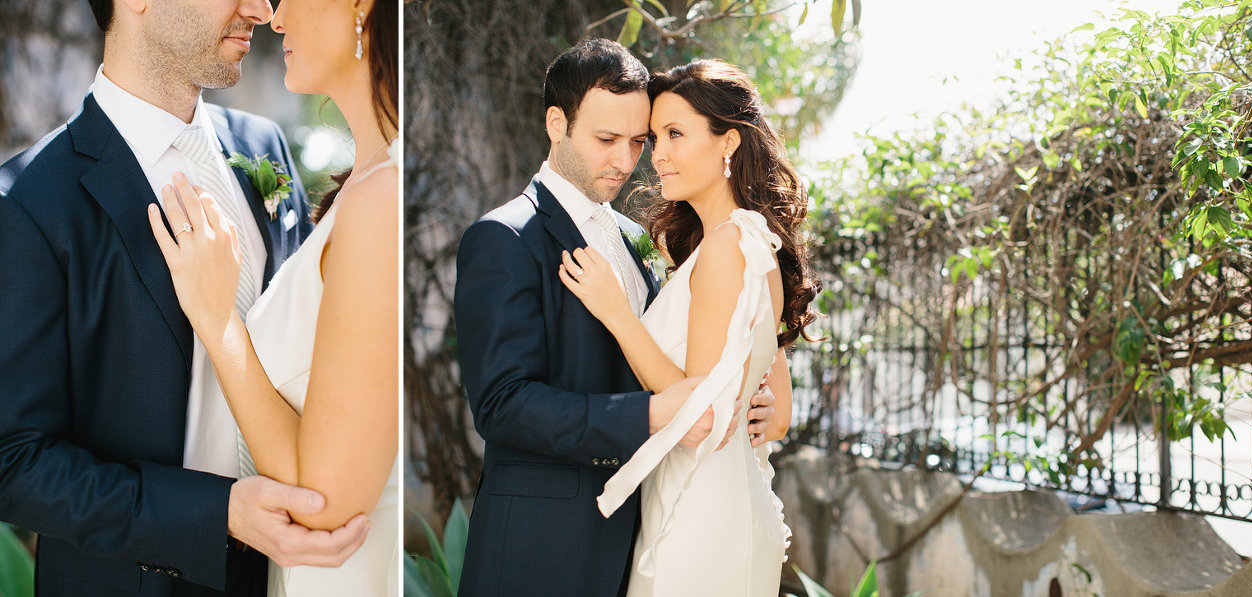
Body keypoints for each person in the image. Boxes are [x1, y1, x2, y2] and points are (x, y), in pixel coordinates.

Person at [0, 0, 373, 596]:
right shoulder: (29, 206)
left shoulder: (265, 148)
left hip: (291, 573)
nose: (261, 9)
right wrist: (217, 512)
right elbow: (13, 461)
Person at [453, 39, 788, 597]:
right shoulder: (504, 237)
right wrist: (652, 413)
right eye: (606, 140)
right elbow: (502, 406)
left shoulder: (639, 242)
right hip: (544, 548)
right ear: (556, 123)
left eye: (639, 141)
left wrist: (748, 389)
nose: (627, 162)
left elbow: (684, 356)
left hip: (646, 531)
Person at [145, 0, 399, 596]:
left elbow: (324, 503)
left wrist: (218, 321)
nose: (274, 18)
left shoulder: (380, 199)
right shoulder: (359, 189)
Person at [557, 58, 820, 596]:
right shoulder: (750, 240)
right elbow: (780, 414)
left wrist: (616, 312)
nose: (659, 155)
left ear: (729, 143)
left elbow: (697, 407)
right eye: (655, 137)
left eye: (676, 133)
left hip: (703, 508)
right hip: (712, 492)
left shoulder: (728, 247)